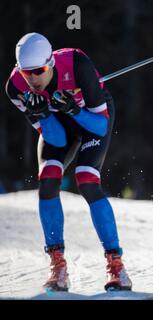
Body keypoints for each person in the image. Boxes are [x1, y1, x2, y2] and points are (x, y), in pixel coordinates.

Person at [5, 33, 132, 292]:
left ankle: (116, 265)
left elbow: (99, 126)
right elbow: (57, 139)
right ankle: (58, 264)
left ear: (50, 63)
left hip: (90, 119)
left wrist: (74, 110)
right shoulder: (15, 87)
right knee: (48, 179)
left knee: (86, 179)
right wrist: (41, 114)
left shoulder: (77, 65)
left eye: (38, 71)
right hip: (58, 125)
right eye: (26, 72)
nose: (33, 79)